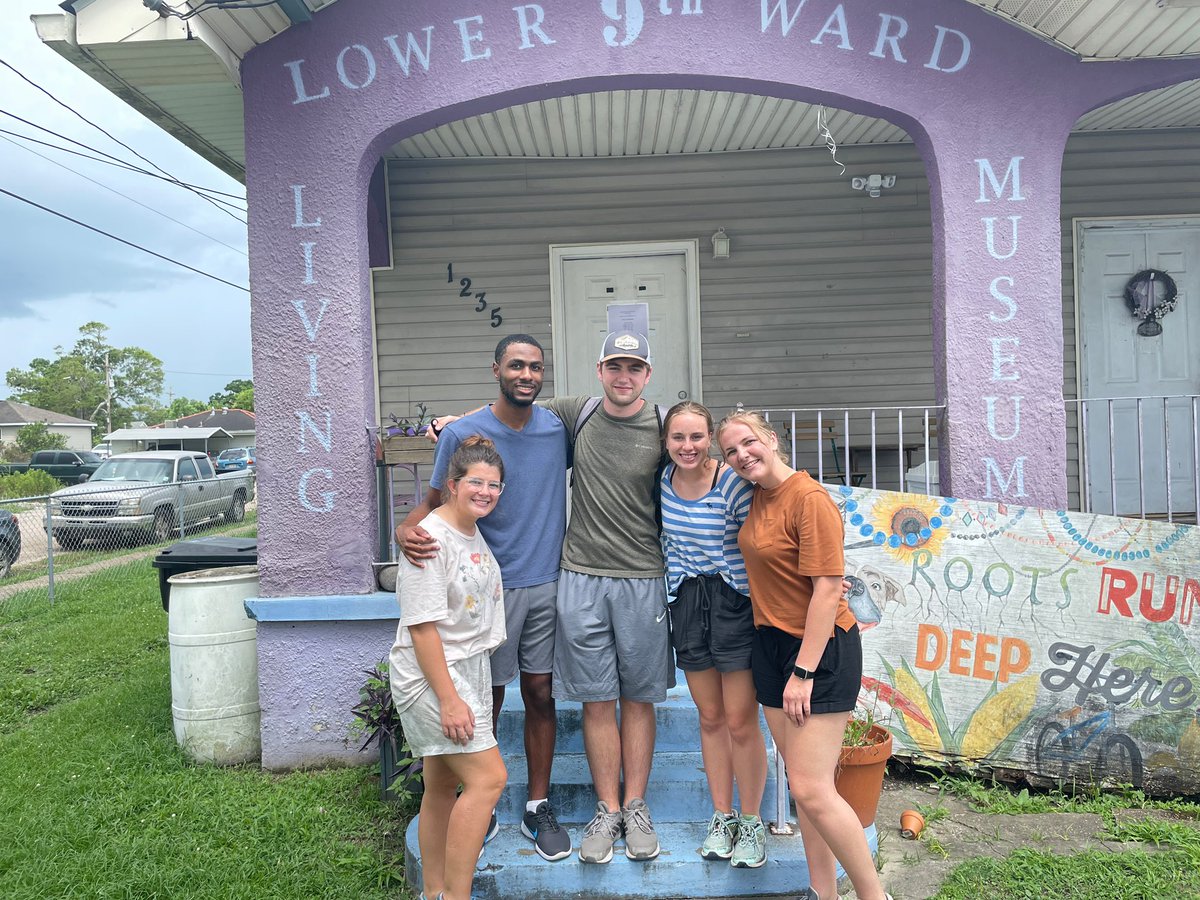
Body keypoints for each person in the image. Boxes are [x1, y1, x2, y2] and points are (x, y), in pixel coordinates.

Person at [398, 334, 572, 861]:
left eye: (535, 367)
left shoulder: (557, 430)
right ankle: (481, 797)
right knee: (486, 695)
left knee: (540, 693)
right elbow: (434, 500)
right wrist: (405, 528)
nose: (526, 374)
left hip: (546, 581)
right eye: (516, 365)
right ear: (496, 369)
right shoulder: (464, 435)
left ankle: (538, 805)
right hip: (485, 591)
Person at [715, 410, 893, 900]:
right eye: (730, 451)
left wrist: (803, 672)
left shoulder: (808, 498)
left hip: (818, 650)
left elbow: (828, 588)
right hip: (770, 645)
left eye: (749, 443)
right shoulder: (756, 495)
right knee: (804, 786)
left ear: (771, 439)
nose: (741, 455)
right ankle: (822, 892)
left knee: (813, 788)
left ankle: (874, 896)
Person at [539, 330, 675, 865]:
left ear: (647, 374)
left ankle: (636, 807)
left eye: (634, 367)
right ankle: (608, 810)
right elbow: (509, 417)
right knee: (596, 700)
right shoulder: (578, 413)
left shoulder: (664, 425)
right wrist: (454, 423)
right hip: (580, 576)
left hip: (643, 577)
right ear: (599, 370)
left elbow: (703, 474)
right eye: (614, 366)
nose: (624, 376)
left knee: (638, 698)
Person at [389, 437, 510, 900]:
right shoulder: (430, 540)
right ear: (452, 485)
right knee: (488, 779)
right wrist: (449, 699)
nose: (485, 492)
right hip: (433, 675)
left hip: (466, 666)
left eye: (494, 485)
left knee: (440, 784)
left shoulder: (469, 529)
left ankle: (433, 893)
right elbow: (422, 629)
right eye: (476, 482)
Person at [659, 401, 769, 868]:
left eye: (697, 437)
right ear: (666, 442)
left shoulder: (731, 483)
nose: (688, 446)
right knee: (709, 717)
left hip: (732, 602)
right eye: (678, 437)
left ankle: (752, 821)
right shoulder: (662, 481)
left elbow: (763, 539)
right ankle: (722, 817)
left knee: (741, 719)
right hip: (687, 602)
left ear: (710, 441)